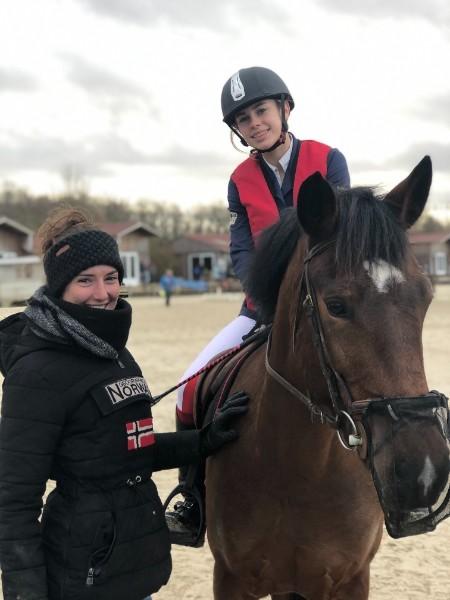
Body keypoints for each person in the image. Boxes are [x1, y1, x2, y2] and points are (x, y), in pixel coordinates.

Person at [0, 208, 249, 600]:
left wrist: (202, 441)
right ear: (60, 286)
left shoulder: (111, 350)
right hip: (82, 575)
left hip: (130, 566)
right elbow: (14, 502)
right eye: (86, 280)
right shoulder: (36, 372)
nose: (102, 294)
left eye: (111, 278)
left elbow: (126, 449)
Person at [166, 66, 351, 542]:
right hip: (261, 309)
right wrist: (266, 301)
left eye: (261, 111)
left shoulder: (328, 159)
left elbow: (340, 233)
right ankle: (193, 497)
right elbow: (242, 250)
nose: (254, 123)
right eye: (242, 119)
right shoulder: (238, 180)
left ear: (284, 108)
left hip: (322, 301)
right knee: (189, 389)